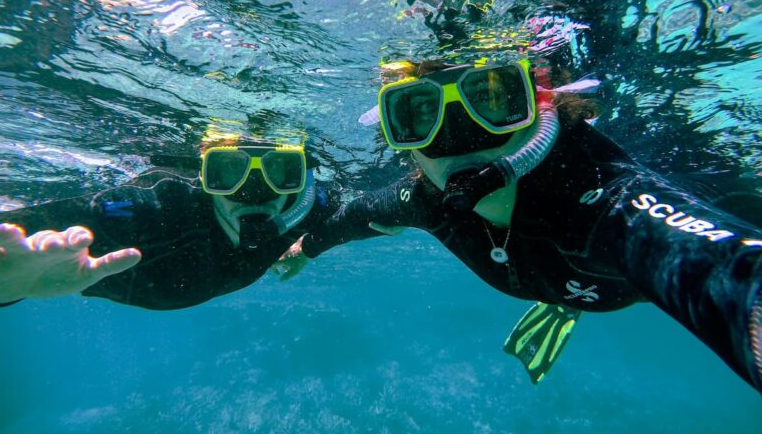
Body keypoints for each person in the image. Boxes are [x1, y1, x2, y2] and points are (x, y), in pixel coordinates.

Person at [288, 56, 762, 392]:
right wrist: (306, 248)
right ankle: (565, 302)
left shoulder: (606, 199)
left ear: (542, 110)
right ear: (403, 142)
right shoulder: (425, 199)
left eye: (493, 99)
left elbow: (722, 270)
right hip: (566, 282)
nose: (458, 137)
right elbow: (356, 215)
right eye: (419, 113)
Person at [0, 135, 336, 310]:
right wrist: (6, 288)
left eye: (281, 171)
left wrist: (310, 247)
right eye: (229, 171)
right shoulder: (154, 209)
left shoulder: (309, 205)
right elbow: (11, 240)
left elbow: (363, 213)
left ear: (300, 176)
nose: (256, 195)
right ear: (204, 175)